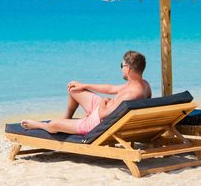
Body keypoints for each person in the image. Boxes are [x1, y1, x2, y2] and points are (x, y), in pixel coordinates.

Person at [21, 50, 151, 135]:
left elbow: (104, 115)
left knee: (53, 124)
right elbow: (112, 89)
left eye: (121, 66)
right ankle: (66, 120)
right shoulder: (144, 85)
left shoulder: (131, 95)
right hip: (105, 110)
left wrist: (103, 104)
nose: (121, 69)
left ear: (127, 69)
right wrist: (84, 85)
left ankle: (42, 126)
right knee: (74, 89)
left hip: (96, 123)